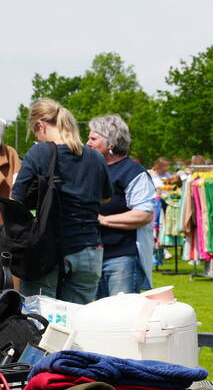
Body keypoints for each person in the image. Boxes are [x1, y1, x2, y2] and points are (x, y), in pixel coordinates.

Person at [12, 99, 111, 304]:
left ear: (40, 125)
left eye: (35, 131)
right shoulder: (95, 157)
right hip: (90, 250)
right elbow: (106, 196)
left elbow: (16, 199)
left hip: (49, 249)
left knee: (38, 319)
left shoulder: (40, 153)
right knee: (79, 323)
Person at [87, 115, 156, 298]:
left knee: (122, 316)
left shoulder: (133, 172)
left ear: (111, 142)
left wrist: (103, 220)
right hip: (93, 258)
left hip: (122, 258)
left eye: (93, 139)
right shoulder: (93, 170)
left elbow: (144, 214)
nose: (87, 143)